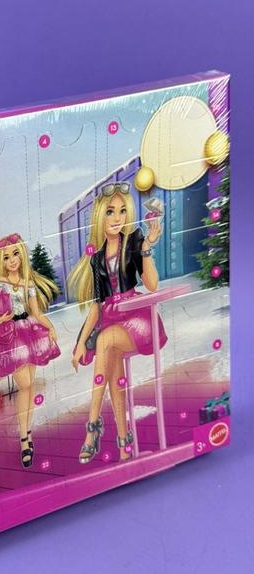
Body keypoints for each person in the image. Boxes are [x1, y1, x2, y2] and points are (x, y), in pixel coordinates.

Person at [68, 182, 165, 464]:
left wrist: (146, 248)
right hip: (111, 318)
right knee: (113, 377)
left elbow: (152, 285)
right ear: (100, 216)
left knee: (105, 340)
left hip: (136, 318)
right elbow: (96, 307)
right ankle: (124, 443)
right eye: (110, 211)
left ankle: (92, 427)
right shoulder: (97, 259)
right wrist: (79, 343)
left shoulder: (134, 241)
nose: (117, 217)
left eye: (122, 211)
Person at [0, 233, 60, 468]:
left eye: (15, 254)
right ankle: (24, 438)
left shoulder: (28, 283)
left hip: (30, 332)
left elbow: (36, 312)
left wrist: (50, 326)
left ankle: (27, 435)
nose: (12, 260)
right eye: (6, 257)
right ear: (1, 261)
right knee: (24, 386)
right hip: (11, 336)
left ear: (22, 255)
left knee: (29, 387)